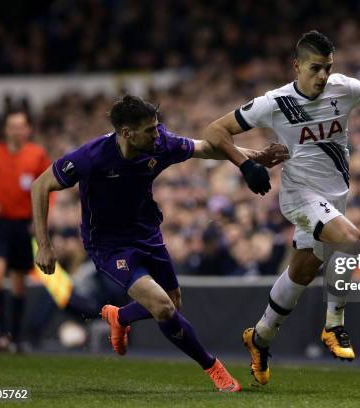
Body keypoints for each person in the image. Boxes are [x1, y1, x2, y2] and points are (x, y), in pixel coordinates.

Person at [204, 30, 360, 385]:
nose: (323, 75)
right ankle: (333, 325)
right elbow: (217, 130)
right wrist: (245, 165)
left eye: (328, 67)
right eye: (315, 68)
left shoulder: (344, 88)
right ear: (296, 66)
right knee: (350, 239)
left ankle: (260, 337)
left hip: (335, 197)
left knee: (302, 273)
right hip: (299, 196)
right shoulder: (275, 103)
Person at [31, 95, 288, 392]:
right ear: (127, 133)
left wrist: (255, 156)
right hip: (109, 245)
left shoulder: (160, 143)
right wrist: (44, 244)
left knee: (173, 303)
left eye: (156, 127)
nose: (158, 133)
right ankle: (215, 369)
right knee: (164, 308)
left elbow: (206, 148)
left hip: (148, 235)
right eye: (150, 129)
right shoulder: (90, 157)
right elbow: (40, 185)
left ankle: (120, 315)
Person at [0, 109, 52, 352]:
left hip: (22, 224)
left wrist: (39, 219)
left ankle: (15, 336)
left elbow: (50, 186)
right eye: (12, 126)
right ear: (6, 129)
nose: (16, 130)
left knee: (18, 284)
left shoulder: (37, 154)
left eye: (21, 126)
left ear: (28, 129)